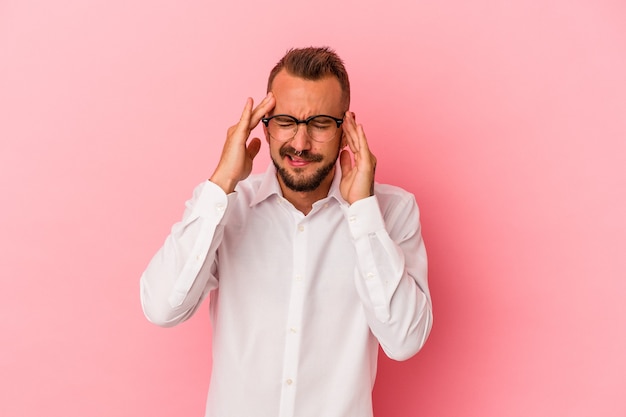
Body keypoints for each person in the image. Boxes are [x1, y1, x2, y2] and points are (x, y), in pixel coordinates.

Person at [140, 46, 433, 417]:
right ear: (264, 123)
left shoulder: (391, 212)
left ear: (347, 130)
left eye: (321, 123)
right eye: (285, 122)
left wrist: (363, 212)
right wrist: (221, 181)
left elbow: (404, 340)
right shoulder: (222, 206)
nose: (300, 143)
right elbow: (162, 308)